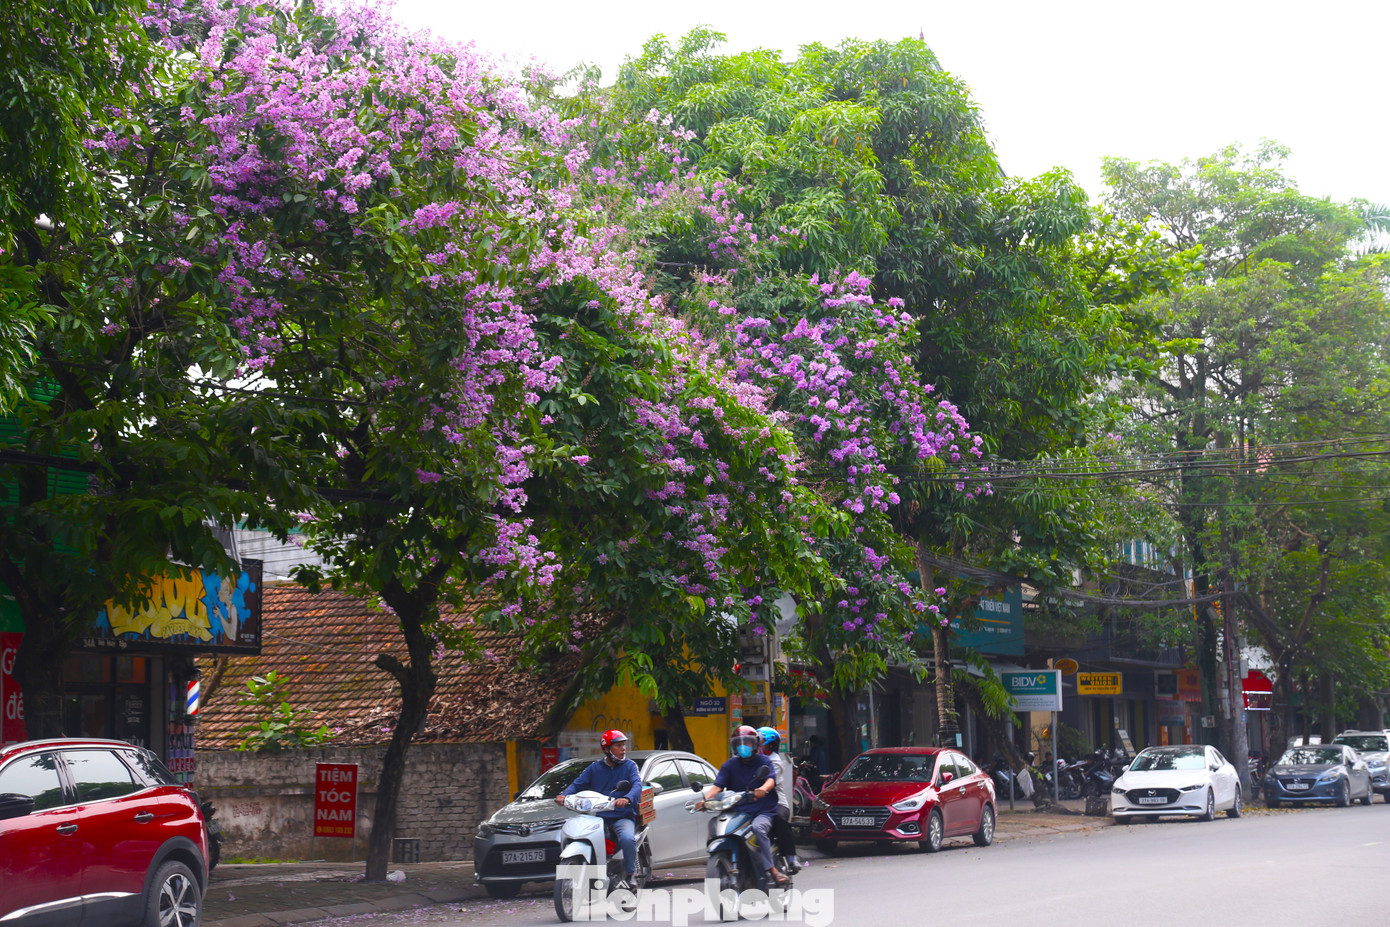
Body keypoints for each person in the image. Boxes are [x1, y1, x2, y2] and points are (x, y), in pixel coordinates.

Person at [698, 725, 786, 887]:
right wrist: (706, 800)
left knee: (759, 829)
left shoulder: (764, 761)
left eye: (747, 743)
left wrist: (762, 790)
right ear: (734, 746)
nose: (743, 746)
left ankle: (772, 869)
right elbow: (718, 786)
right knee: (717, 826)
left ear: (755, 744)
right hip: (738, 810)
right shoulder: (729, 765)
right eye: (739, 743)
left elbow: (770, 780)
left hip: (762, 809)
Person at [556, 729, 642, 890]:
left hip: (620, 816)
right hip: (596, 816)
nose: (623, 749)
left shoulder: (630, 766)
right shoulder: (594, 768)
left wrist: (627, 799)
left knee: (627, 839)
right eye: (618, 745)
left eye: (624, 745)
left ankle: (630, 875)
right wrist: (564, 795)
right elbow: (578, 784)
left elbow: (637, 785)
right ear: (607, 749)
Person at [756, 726, 802, 874]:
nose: (756, 747)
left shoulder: (774, 762)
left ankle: (790, 857)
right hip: (752, 803)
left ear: (770, 745)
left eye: (760, 743)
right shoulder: (746, 761)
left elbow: (766, 782)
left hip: (776, 803)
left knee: (780, 821)